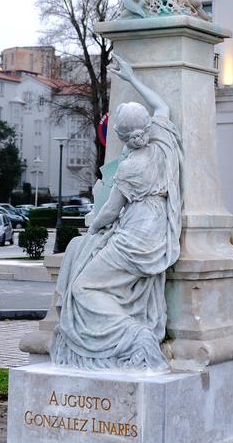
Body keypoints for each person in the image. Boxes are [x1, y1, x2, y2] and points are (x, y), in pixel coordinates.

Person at [50, 54, 182, 371]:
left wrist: (92, 226)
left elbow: (110, 211)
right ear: (147, 125)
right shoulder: (164, 142)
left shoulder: (130, 167)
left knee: (82, 287)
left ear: (121, 137)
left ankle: (132, 335)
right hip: (159, 233)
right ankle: (129, 325)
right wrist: (133, 78)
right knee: (95, 270)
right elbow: (162, 106)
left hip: (133, 238)